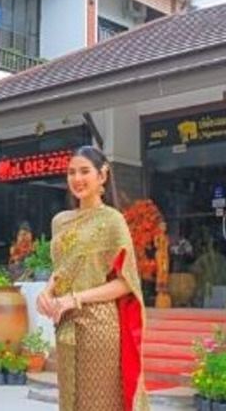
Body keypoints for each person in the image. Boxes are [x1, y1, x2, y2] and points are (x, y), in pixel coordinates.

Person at [37, 146, 150, 411]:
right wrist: (47, 291)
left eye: (84, 171)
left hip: (99, 325)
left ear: (103, 175)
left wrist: (75, 299)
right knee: (70, 401)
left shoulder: (113, 221)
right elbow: (63, 268)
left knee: (99, 403)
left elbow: (126, 282)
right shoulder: (60, 221)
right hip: (65, 325)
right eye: (71, 172)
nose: (77, 178)